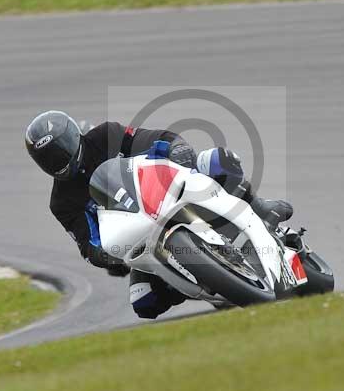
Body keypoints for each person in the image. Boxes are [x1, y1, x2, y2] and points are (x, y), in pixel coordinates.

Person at [25, 110, 292, 319]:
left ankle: (258, 206)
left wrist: (176, 147)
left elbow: (151, 138)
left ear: (73, 136)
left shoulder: (104, 136)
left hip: (165, 191)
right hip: (141, 236)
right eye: (49, 159)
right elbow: (87, 244)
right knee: (145, 302)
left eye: (60, 150)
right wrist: (105, 255)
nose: (58, 161)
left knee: (214, 160)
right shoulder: (61, 202)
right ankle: (210, 280)